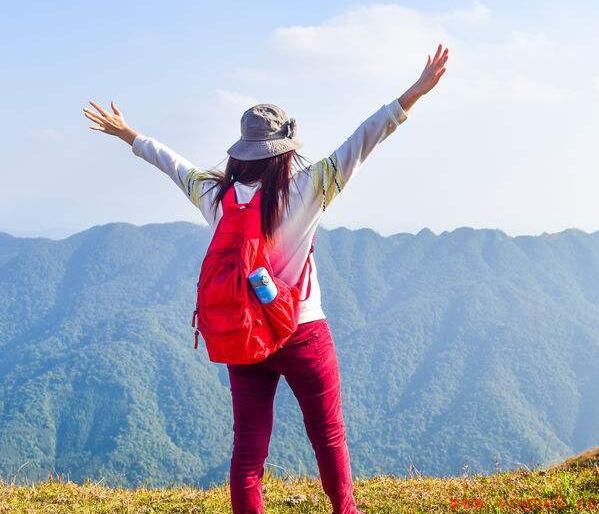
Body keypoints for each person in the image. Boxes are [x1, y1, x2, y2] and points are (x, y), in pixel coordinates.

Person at [83, 43, 449, 514]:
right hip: (302, 330)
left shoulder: (215, 196)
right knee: (328, 434)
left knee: (249, 453)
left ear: (242, 152)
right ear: (283, 152)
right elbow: (366, 137)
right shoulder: (309, 188)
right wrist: (414, 93)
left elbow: (172, 164)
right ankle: (345, 509)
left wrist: (128, 133)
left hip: (243, 333)